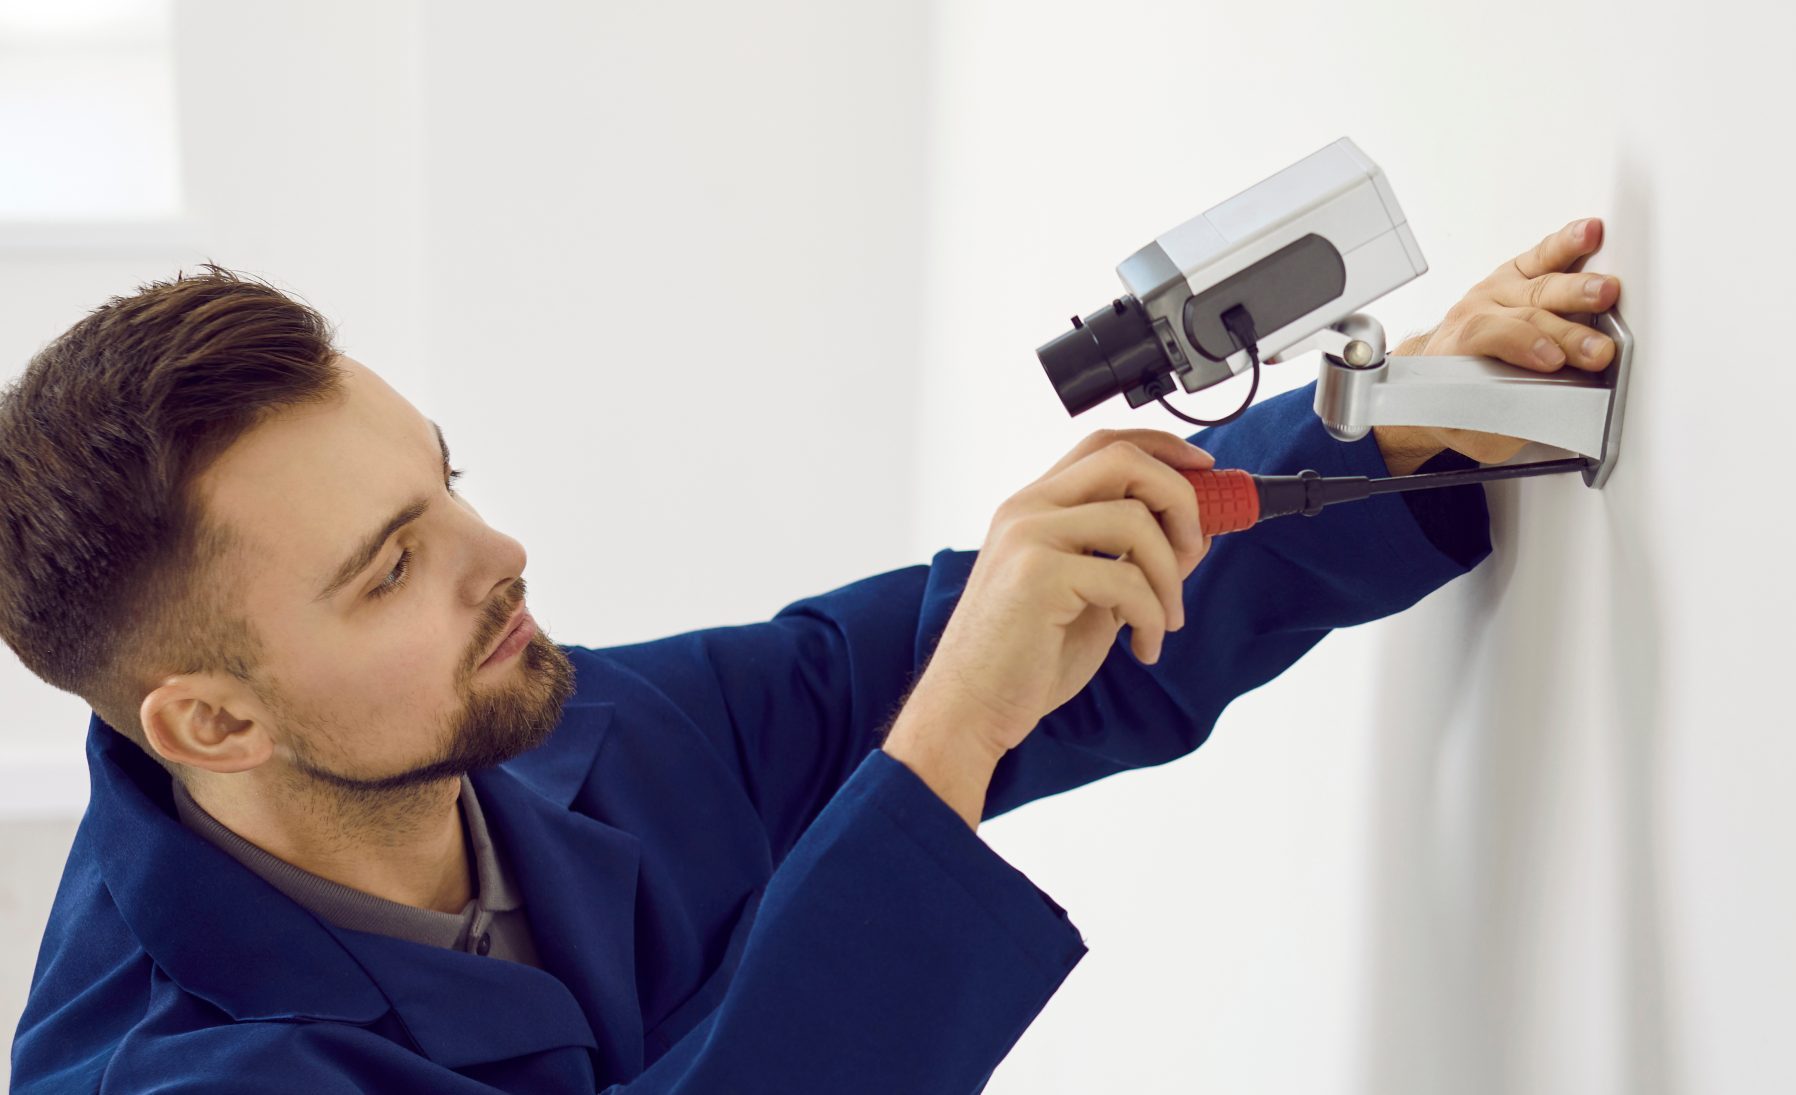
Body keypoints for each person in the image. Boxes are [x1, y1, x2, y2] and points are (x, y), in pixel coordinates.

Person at [4, 219, 1621, 1093]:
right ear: (210, 719)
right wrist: (945, 745)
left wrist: (1398, 419)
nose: (502, 562)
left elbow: (1034, 629)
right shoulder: (173, 1080)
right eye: (390, 570)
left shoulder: (570, 729)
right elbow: (954, 699)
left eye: (449, 482)